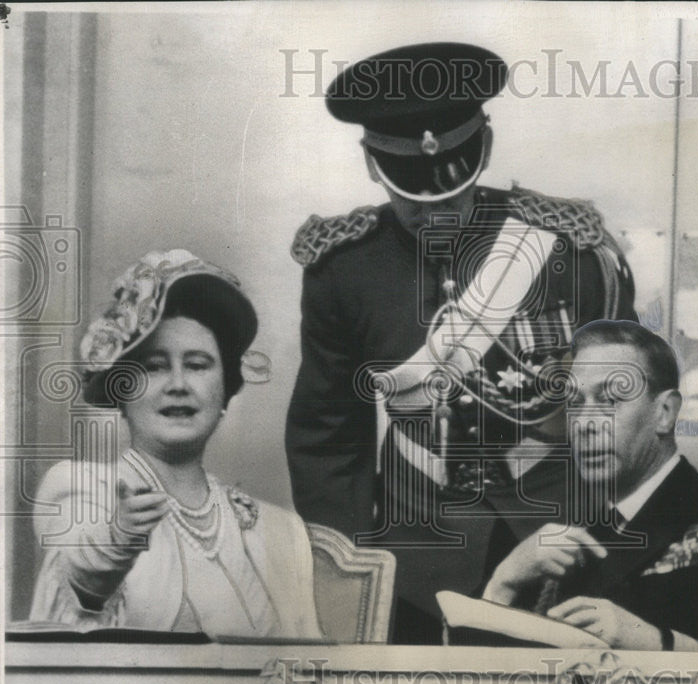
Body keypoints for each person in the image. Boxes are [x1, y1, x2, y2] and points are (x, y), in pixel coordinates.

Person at [285, 42, 636, 643]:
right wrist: (352, 570)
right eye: (412, 194)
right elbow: (329, 436)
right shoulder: (344, 269)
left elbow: (625, 408)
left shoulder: (568, 251)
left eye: (453, 188)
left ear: (485, 150)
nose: (435, 209)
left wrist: (618, 536)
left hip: (567, 545)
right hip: (417, 561)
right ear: (373, 163)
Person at [30, 250, 321, 639]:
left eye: (198, 365)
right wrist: (116, 540)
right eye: (154, 366)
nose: (179, 384)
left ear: (225, 389)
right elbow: (78, 579)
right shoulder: (81, 492)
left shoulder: (280, 530)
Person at [483, 320, 698, 654]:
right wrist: (504, 582)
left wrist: (653, 641)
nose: (585, 423)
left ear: (665, 413)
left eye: (610, 399)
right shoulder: (568, 541)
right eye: (576, 403)